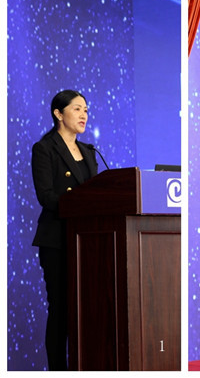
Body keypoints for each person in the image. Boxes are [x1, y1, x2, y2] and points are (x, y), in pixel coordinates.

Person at [31, 90, 98, 370]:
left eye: (86, 110)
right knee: (61, 309)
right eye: (77, 109)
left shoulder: (90, 151)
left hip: (89, 241)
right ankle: (59, 369)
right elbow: (46, 196)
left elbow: (97, 193)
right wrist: (80, 205)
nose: (84, 115)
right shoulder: (44, 148)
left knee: (88, 309)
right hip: (58, 240)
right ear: (58, 114)